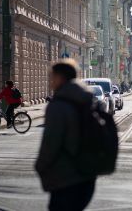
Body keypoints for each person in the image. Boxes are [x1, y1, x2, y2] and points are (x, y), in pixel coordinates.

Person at [35, 59, 96, 211]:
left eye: (51, 77)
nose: (50, 81)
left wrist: (40, 167)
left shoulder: (58, 106)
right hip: (88, 175)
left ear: (60, 78)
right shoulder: (88, 100)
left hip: (65, 178)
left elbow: (50, 144)